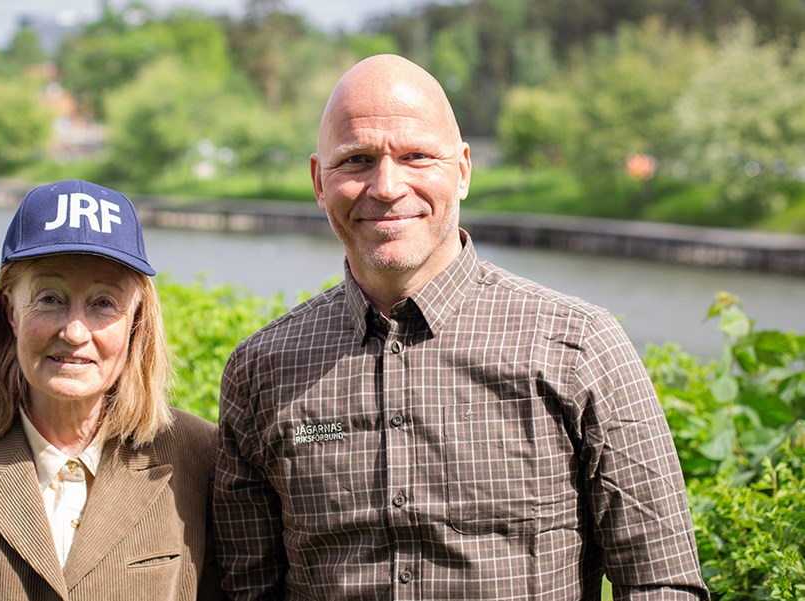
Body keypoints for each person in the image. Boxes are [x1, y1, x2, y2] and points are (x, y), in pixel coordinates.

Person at [213, 54, 708, 600]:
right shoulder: (261, 370)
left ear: (464, 170)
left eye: (416, 156)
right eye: (356, 160)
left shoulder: (579, 346)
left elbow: (662, 582)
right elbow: (248, 590)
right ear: (317, 181)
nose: (386, 186)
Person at [0, 179, 220, 600]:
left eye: (104, 302)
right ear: (10, 311)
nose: (73, 332)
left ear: (136, 319)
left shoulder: (200, 457)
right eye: (49, 298)